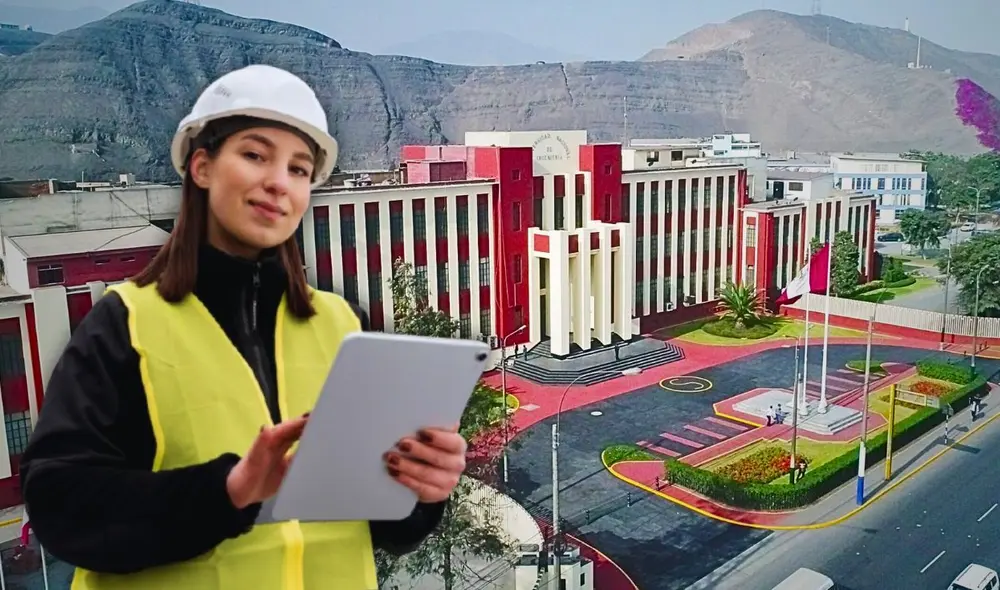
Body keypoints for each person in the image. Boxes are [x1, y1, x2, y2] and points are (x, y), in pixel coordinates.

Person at [19, 65, 467, 589]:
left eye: (300, 169)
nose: (279, 182)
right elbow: (60, 505)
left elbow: (385, 523)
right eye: (255, 155)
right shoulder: (125, 325)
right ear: (202, 166)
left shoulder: (342, 324)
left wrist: (422, 492)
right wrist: (226, 492)